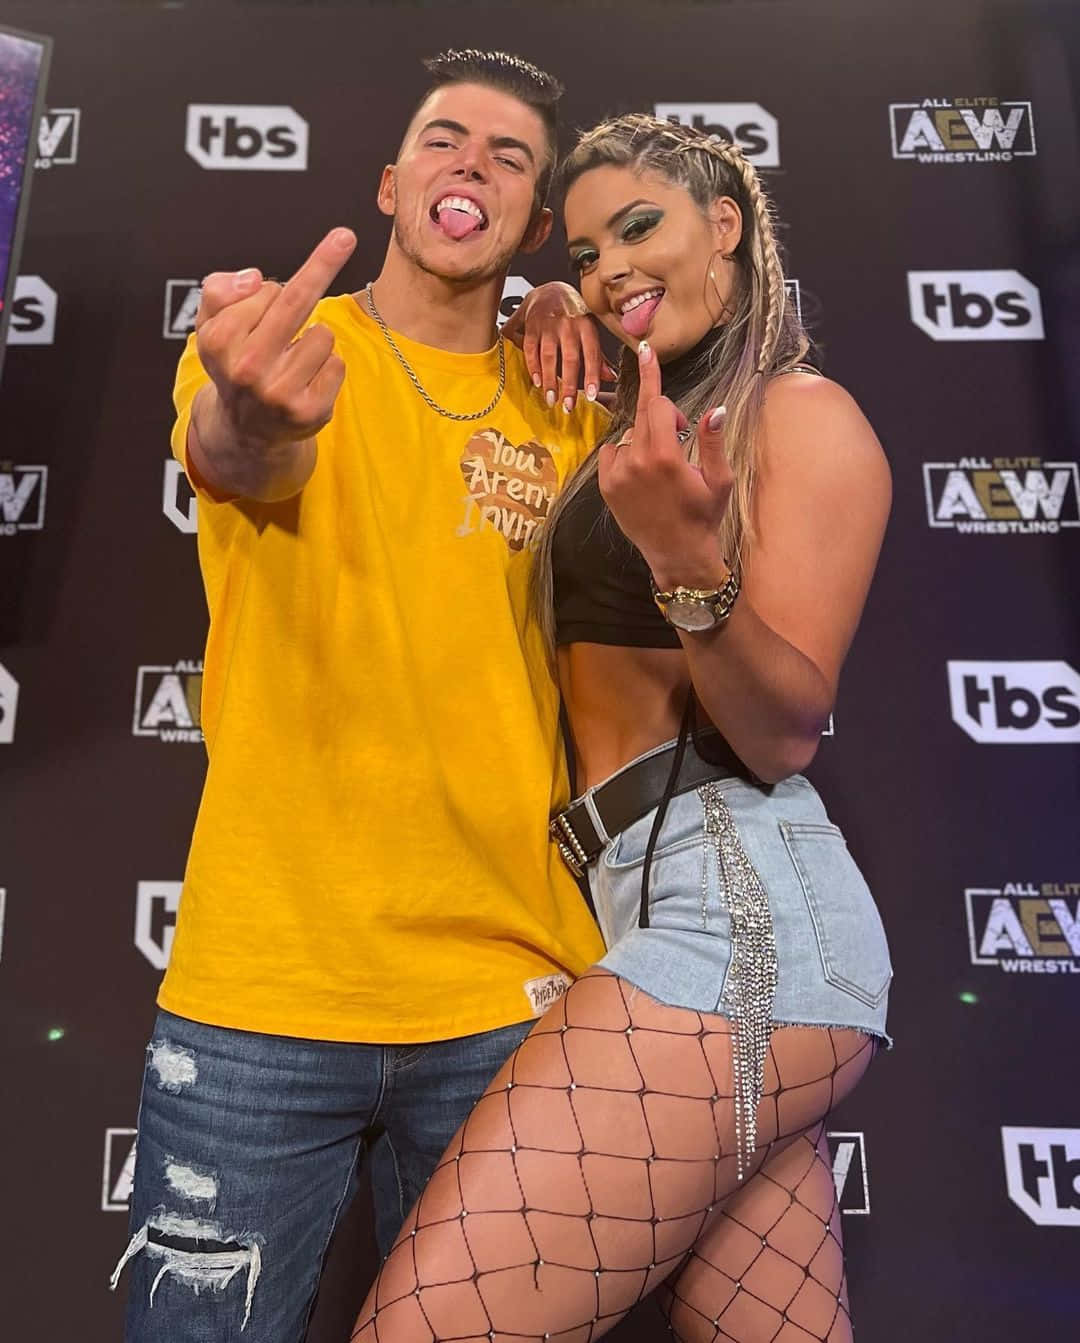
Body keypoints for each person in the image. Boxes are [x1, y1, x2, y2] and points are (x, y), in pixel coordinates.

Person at [350, 113, 893, 1343]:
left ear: (728, 224)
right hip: (633, 899)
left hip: (736, 914)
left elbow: (784, 730)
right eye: (587, 253)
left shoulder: (800, 415)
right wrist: (538, 298)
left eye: (640, 228)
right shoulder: (630, 418)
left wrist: (689, 567)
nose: (611, 272)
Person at [110, 50, 614, 1342]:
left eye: (509, 157)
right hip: (263, 991)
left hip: (509, 990)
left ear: (534, 224)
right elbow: (243, 450)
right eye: (446, 139)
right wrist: (252, 413)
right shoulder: (273, 348)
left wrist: (557, 303)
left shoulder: (573, 403)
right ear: (391, 184)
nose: (472, 164)